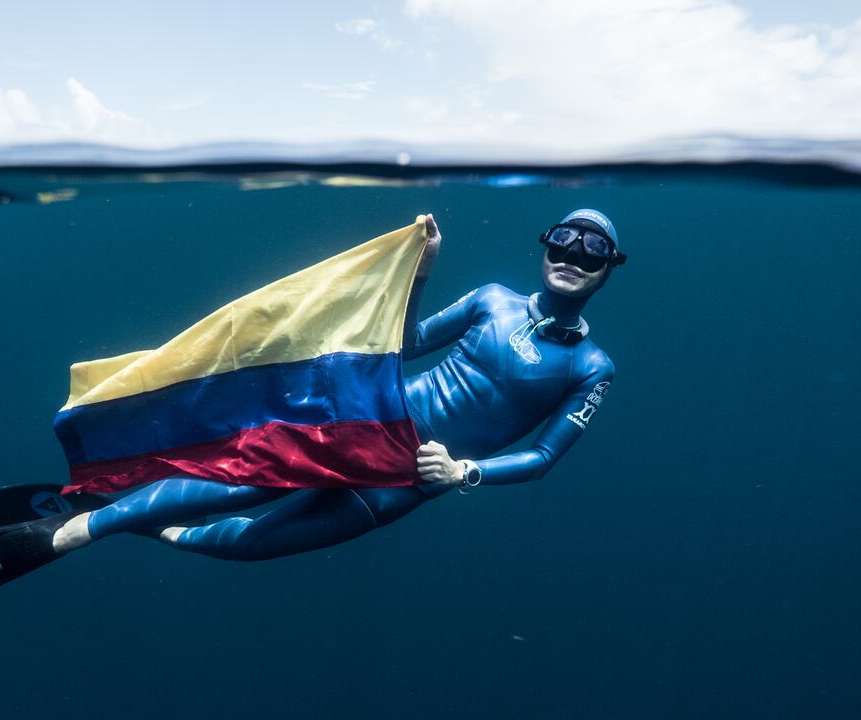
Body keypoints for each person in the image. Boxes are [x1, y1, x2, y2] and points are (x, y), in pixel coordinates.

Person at [48, 209, 625, 560]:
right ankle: (90, 526)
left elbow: (544, 457)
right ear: (546, 246)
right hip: (373, 422)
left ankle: (166, 533)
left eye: (592, 251)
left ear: (608, 269)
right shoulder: (492, 299)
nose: (573, 256)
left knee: (255, 545)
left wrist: (462, 473)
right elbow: (406, 341)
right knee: (242, 484)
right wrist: (419, 271)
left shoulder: (592, 367)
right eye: (563, 241)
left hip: (412, 478)